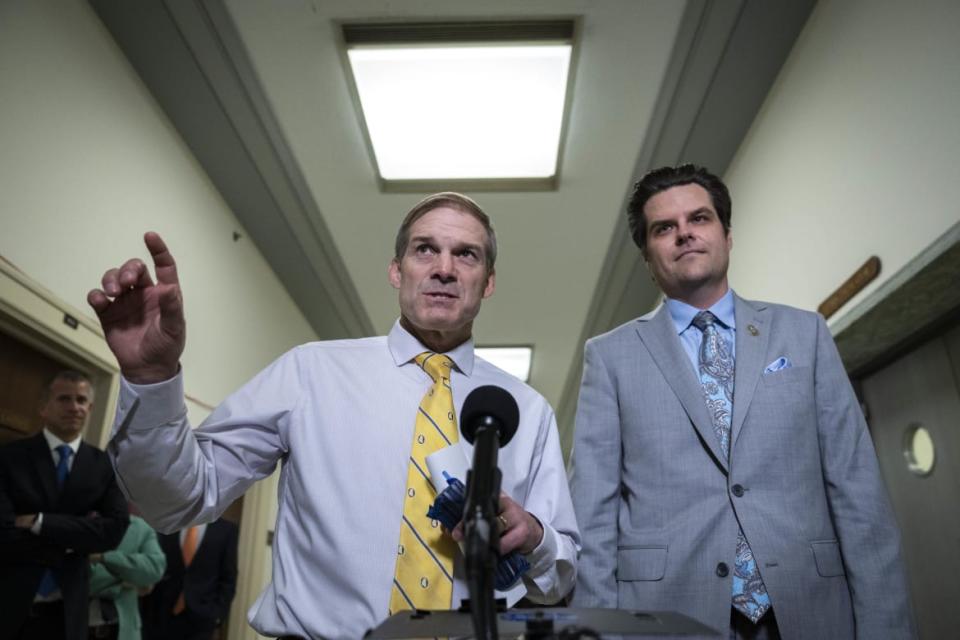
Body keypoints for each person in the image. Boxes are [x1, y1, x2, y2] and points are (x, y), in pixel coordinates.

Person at [88, 193, 579, 639]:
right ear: (396, 270)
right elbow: (180, 500)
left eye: (466, 254)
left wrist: (535, 537)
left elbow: (558, 579)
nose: (444, 268)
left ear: (487, 282)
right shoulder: (310, 372)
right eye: (425, 249)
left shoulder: (527, 410)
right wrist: (152, 379)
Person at [569, 165, 915, 639]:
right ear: (648, 257)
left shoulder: (804, 334)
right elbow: (593, 514)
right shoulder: (609, 357)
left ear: (727, 236)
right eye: (664, 228)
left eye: (700, 219)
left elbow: (858, 491)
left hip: (812, 608)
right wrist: (594, 630)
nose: (684, 234)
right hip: (669, 615)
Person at [0, 371, 129, 640]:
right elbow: (4, 531)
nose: (74, 407)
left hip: (68, 613)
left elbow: (114, 531)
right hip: (11, 604)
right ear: (44, 408)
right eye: (64, 399)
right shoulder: (10, 457)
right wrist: (77, 539)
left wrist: (38, 522)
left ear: (90, 408)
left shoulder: (104, 465)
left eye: (81, 400)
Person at [140, 518, 238, 640]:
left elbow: (228, 577)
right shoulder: (168, 522)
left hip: (202, 616)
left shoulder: (226, 529)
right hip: (160, 613)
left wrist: (217, 614)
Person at [87, 511, 166, 640]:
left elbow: (155, 570)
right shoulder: (78, 524)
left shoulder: (140, 527)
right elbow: (86, 581)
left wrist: (103, 558)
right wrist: (125, 581)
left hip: (123, 629)